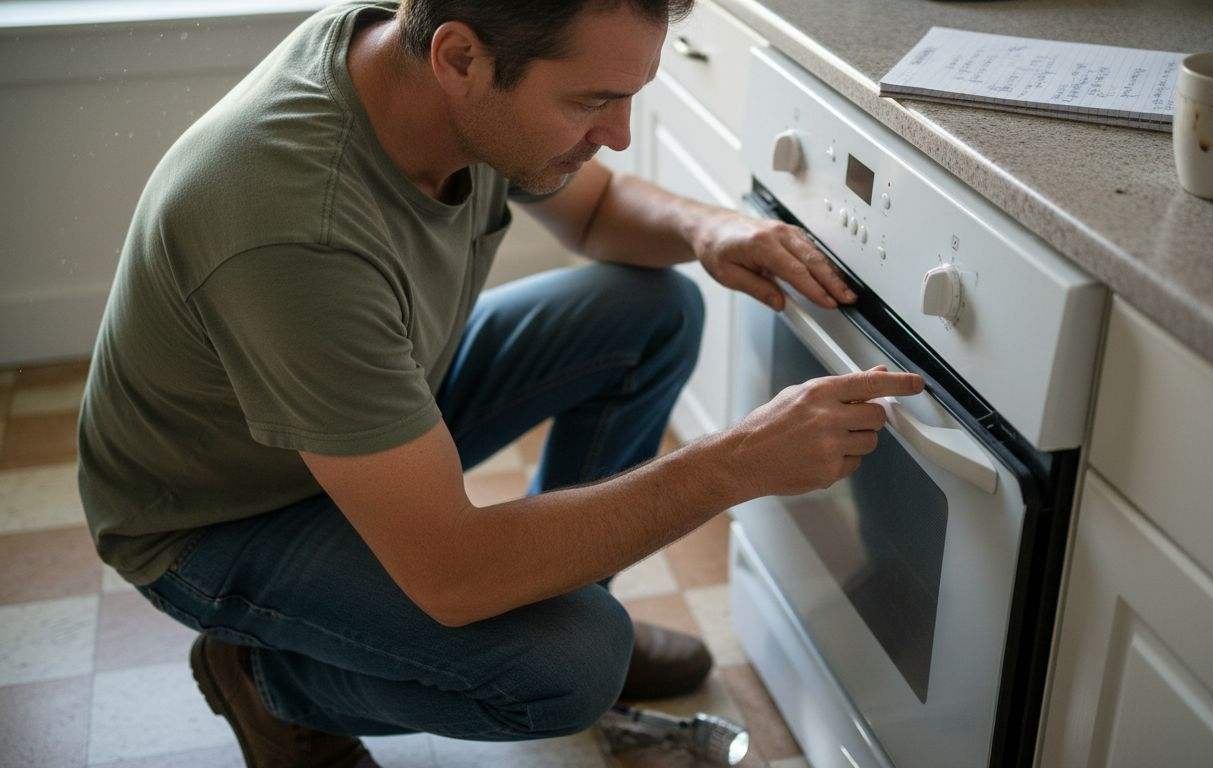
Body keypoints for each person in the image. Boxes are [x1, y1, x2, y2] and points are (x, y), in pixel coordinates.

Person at [76, 0, 924, 765]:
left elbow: (594, 214)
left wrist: (712, 229)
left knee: (651, 309)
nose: (619, 133)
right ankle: (269, 683)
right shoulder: (299, 229)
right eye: (592, 102)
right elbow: (455, 574)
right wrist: (731, 463)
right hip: (218, 515)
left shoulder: (414, 67)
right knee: (571, 665)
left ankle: (561, 598)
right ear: (459, 60)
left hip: (356, 412)